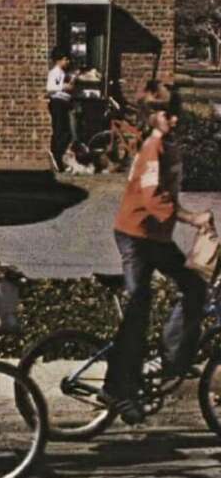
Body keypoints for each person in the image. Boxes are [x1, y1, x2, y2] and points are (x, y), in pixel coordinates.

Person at [101, 88, 213, 425]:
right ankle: (117, 387)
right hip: (135, 237)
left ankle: (171, 359)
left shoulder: (168, 144)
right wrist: (193, 218)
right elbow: (152, 199)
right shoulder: (152, 147)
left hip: (156, 239)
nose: (174, 118)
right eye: (167, 113)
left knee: (195, 287)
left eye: (175, 112)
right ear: (151, 116)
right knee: (138, 309)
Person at [45, 49, 76, 173]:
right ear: (59, 60)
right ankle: (56, 155)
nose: (68, 62)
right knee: (61, 130)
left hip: (63, 103)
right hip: (58, 103)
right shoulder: (55, 72)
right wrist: (64, 86)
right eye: (65, 59)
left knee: (64, 131)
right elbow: (50, 88)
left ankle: (57, 156)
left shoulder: (62, 73)